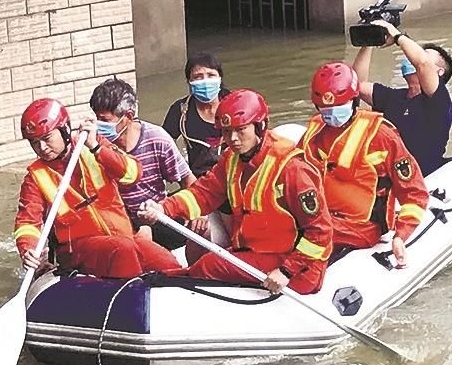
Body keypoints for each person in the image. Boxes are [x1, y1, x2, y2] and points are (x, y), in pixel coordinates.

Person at [139, 90, 334, 295]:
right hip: (257, 253)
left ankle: (169, 281)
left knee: (209, 266)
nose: (232, 139)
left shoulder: (292, 169)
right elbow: (203, 193)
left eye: (240, 130)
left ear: (260, 126)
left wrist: (286, 271)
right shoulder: (231, 159)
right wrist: (163, 208)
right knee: (209, 263)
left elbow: (320, 232)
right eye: (226, 131)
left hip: (295, 265)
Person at [13, 98, 182, 279]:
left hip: (124, 237)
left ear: (65, 129)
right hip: (77, 251)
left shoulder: (92, 144)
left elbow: (133, 174)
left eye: (46, 138)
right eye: (34, 142)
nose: (42, 148)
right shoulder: (35, 177)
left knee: (167, 262)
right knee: (122, 250)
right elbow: (27, 222)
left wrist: (97, 148)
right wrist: (28, 248)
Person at [302, 62, 430, 267]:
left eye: (338, 107)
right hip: (319, 217)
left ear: (354, 101)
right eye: (325, 109)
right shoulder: (315, 128)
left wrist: (401, 235)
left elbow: (414, 192)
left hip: (361, 226)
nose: (331, 114)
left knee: (300, 235)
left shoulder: (381, 135)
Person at [88, 78, 196, 251]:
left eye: (105, 120)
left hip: (155, 216)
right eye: (97, 119)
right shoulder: (93, 145)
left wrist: (196, 212)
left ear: (128, 116)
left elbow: (188, 181)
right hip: (115, 222)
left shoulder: (157, 138)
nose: (99, 126)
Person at [351, 22, 452, 174]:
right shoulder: (394, 97)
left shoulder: (439, 101)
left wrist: (398, 35)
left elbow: (422, 64)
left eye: (423, 54)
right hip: (388, 177)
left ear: (438, 72)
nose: (411, 58)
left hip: (422, 180)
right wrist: (370, 41)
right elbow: (355, 85)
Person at [161, 53, 230, 178]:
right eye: (198, 77)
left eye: (211, 75)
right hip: (199, 181)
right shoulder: (181, 110)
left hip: (234, 176)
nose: (205, 81)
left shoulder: (236, 103)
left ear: (220, 78)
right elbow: (163, 147)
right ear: (189, 81)